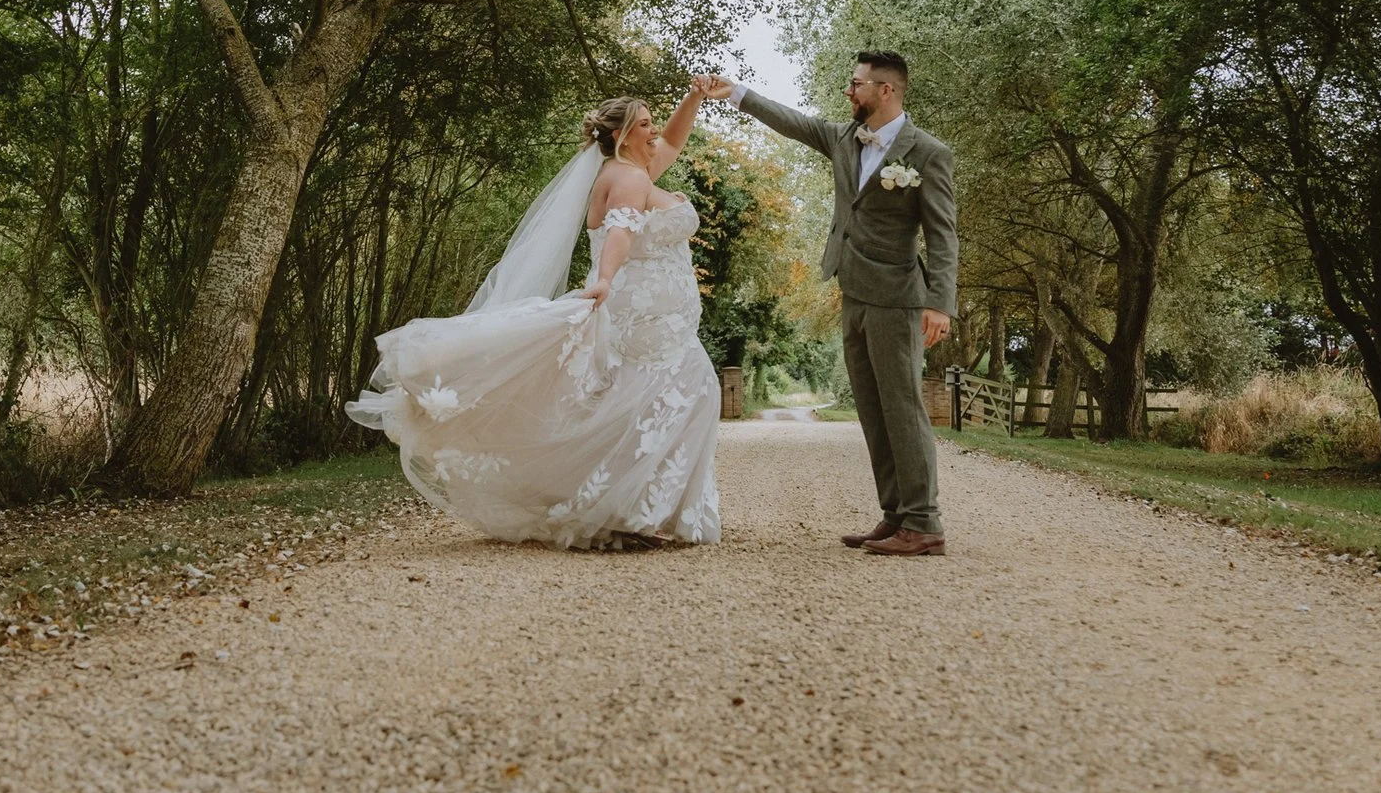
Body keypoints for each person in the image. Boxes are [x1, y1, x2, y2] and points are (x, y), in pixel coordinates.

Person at [347, 88, 721, 549]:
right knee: (683, 391)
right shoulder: (629, 179)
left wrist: (695, 98)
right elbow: (621, 231)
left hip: (659, 317)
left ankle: (627, 509)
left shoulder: (633, 169)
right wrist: (604, 278)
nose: (655, 132)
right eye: (645, 124)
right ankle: (623, 510)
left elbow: (674, 144)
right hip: (644, 317)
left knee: (645, 400)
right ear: (624, 136)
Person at [693, 53, 957, 556]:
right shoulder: (843, 137)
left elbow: (943, 235)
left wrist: (940, 303)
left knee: (903, 409)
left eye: (855, 84)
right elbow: (794, 122)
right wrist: (738, 93)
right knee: (874, 410)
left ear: (887, 91)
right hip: (852, 290)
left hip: (900, 298)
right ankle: (895, 514)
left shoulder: (927, 153)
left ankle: (924, 522)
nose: (847, 92)